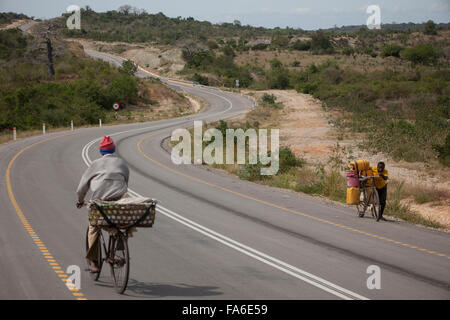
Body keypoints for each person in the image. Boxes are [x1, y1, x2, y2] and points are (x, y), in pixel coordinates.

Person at [76, 136, 130, 272]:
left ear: (101, 151)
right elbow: (126, 180)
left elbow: (82, 187)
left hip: (100, 204)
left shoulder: (95, 164)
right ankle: (118, 238)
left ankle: (93, 262)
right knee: (119, 223)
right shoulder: (122, 164)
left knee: (93, 227)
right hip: (119, 203)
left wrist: (80, 200)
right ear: (114, 149)